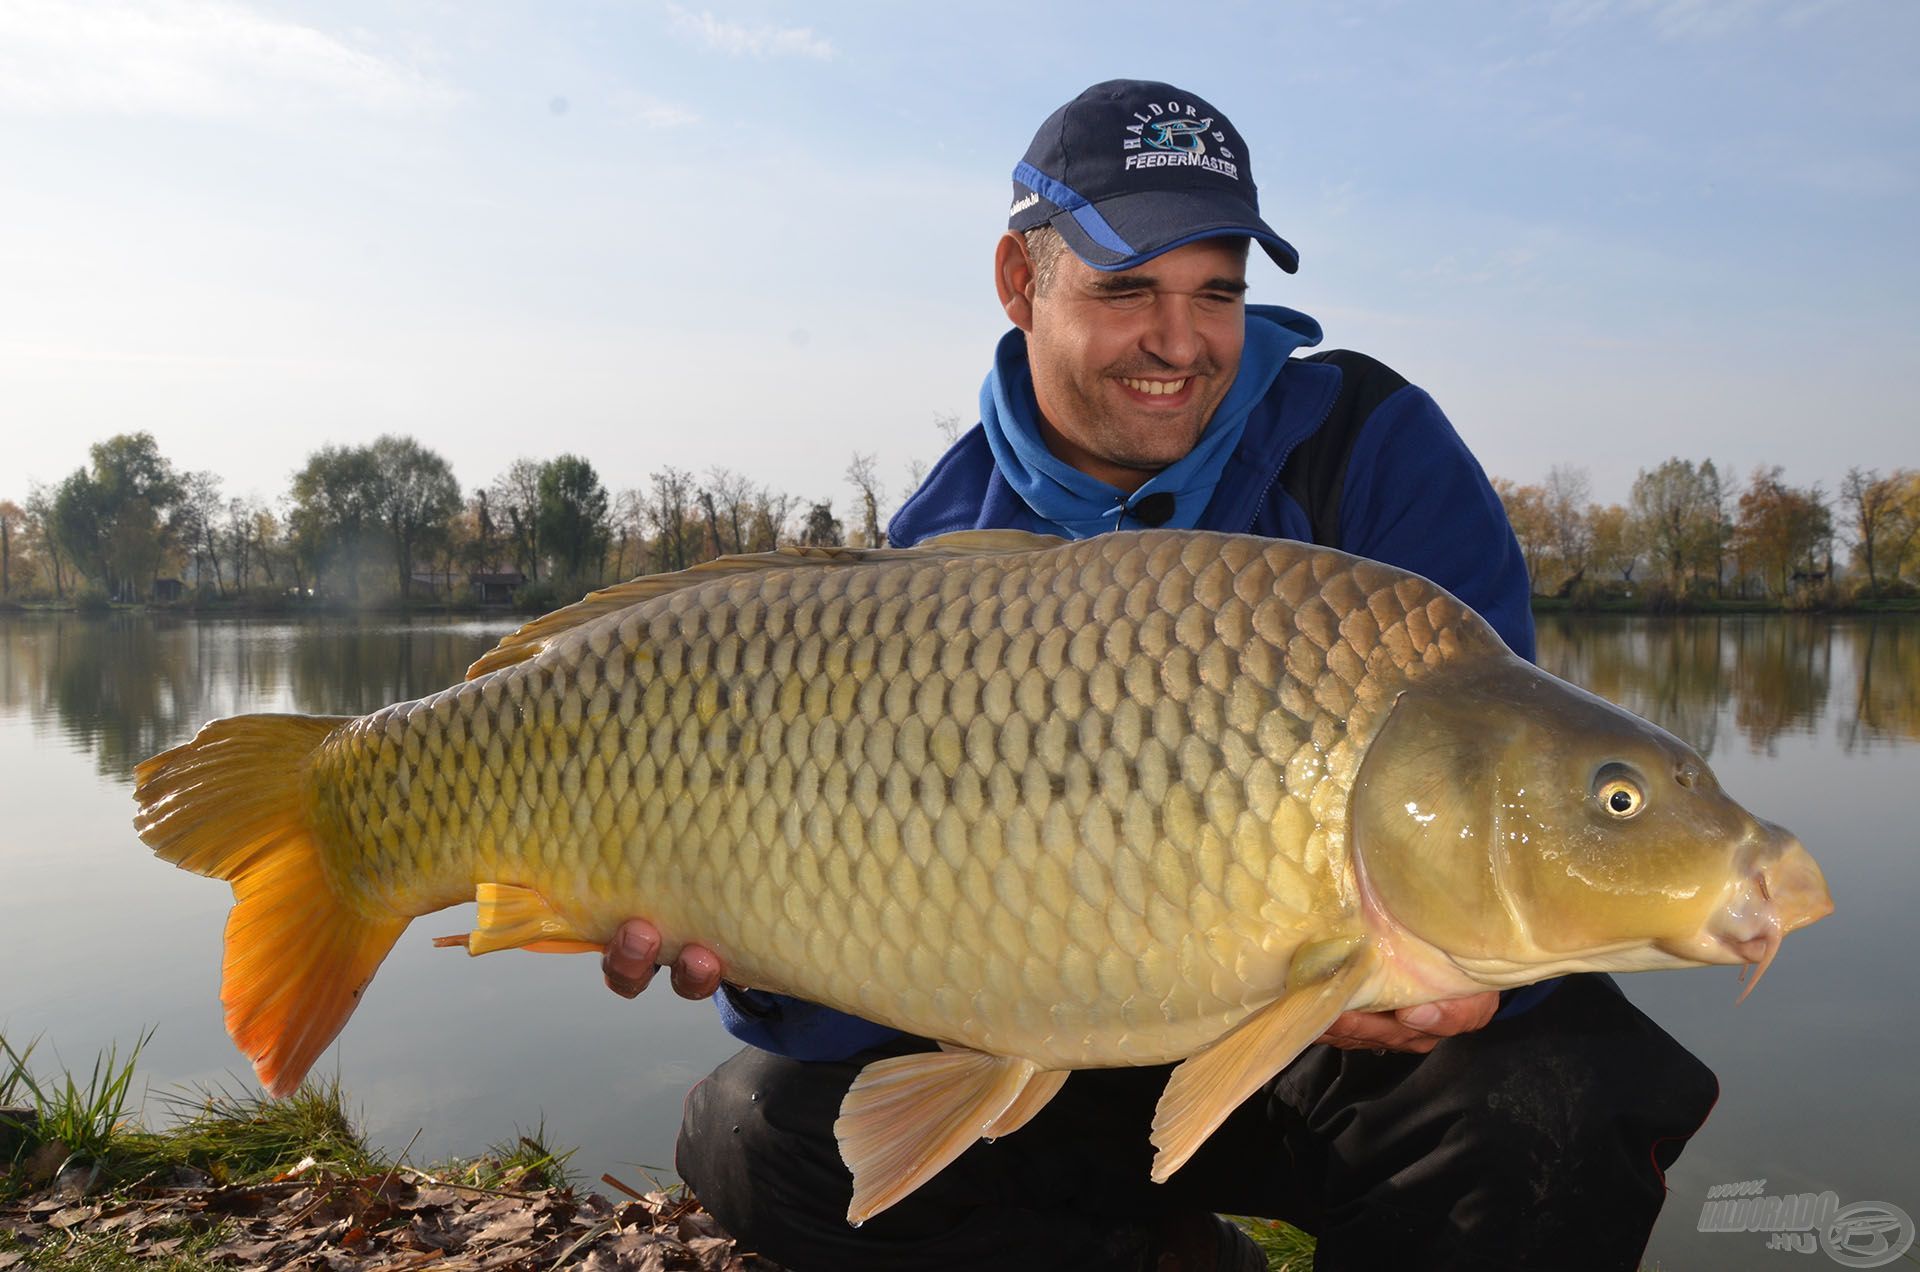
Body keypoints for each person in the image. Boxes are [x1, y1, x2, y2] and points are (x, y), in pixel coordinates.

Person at [601, 80, 1717, 1271]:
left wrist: (1487, 990)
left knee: (1565, 1097)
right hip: (1060, 1041)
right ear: (1020, 284)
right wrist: (756, 956)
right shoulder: (933, 555)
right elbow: (872, 962)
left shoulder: (1372, 450)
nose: (1180, 341)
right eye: (1128, 288)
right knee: (755, 1132)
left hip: (1333, 1044)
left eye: (1218, 292)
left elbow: (1517, 809)